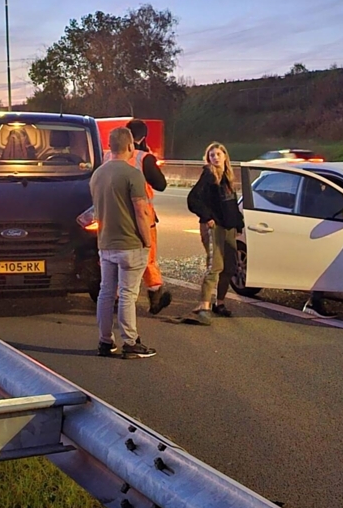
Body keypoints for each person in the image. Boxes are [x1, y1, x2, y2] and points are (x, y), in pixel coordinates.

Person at [90, 127, 156, 359]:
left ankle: (105, 341)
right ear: (130, 146)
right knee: (128, 294)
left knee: (106, 292)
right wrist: (147, 241)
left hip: (105, 243)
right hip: (130, 244)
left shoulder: (97, 175)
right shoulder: (133, 174)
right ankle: (130, 342)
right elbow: (141, 211)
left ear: (110, 147)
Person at [99, 118, 172, 315]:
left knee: (113, 258)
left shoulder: (107, 157)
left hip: (111, 216)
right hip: (141, 216)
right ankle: (155, 295)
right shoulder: (144, 158)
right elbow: (161, 185)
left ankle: (112, 298)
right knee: (147, 256)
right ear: (142, 137)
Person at [186, 142, 244, 325]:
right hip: (214, 227)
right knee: (215, 266)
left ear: (225, 156)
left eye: (218, 154)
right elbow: (193, 199)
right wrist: (207, 217)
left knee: (230, 267)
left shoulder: (228, 177)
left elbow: (231, 203)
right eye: (212, 155)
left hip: (229, 227)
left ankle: (220, 303)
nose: (215, 158)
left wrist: (238, 224)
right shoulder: (209, 175)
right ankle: (204, 306)